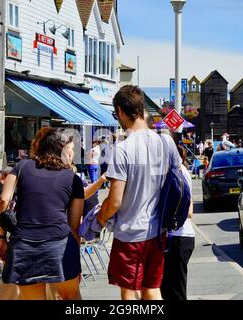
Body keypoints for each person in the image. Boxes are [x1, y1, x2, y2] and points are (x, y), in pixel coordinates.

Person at [96, 85, 181, 300]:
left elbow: (115, 201)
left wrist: (100, 218)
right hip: (158, 229)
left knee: (129, 290)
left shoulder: (123, 149)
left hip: (130, 233)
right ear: (142, 108)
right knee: (152, 289)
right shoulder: (166, 141)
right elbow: (178, 178)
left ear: (121, 111)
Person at [0, 128, 84, 300]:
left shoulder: (21, 167)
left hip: (24, 246)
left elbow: (4, 201)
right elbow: (74, 225)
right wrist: (75, 258)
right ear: (63, 150)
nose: (73, 153)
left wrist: (1, 238)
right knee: (69, 296)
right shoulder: (73, 179)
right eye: (72, 148)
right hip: (60, 245)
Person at [161, 135, 195, 301]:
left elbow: (188, 211)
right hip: (182, 236)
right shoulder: (182, 171)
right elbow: (191, 211)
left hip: (176, 237)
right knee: (171, 288)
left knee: (174, 290)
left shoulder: (175, 173)